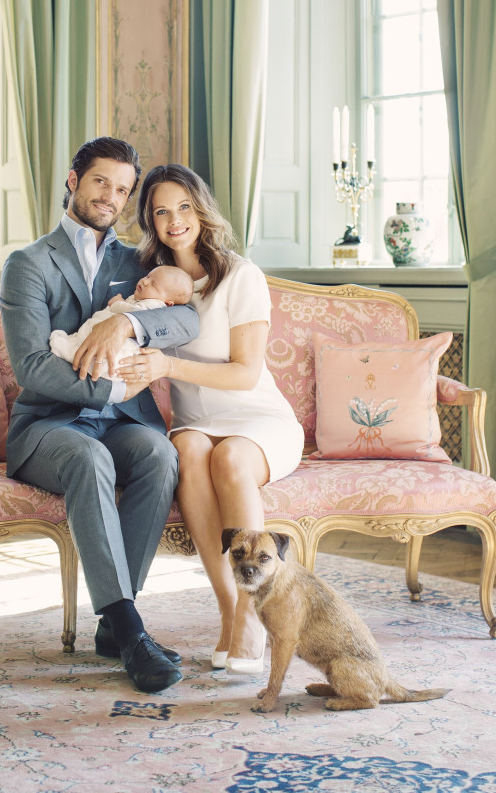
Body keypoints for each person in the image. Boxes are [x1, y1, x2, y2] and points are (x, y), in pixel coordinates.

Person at [0, 138, 199, 694]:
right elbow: (33, 366)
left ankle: (113, 627)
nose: (111, 197)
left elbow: (186, 323)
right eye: (100, 183)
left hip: (122, 427)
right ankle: (132, 630)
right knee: (87, 457)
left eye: (122, 189)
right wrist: (110, 391)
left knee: (160, 454)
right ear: (73, 180)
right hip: (50, 427)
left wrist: (128, 326)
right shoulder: (29, 264)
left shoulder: (138, 262)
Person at [118, 163, 305, 674]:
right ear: (151, 222)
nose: (174, 219)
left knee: (231, 458)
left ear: (201, 210)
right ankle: (228, 609)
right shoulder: (156, 286)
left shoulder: (240, 275)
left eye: (183, 207)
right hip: (195, 424)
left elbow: (246, 373)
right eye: (160, 211)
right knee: (190, 449)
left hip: (259, 420)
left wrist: (169, 364)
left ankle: (252, 610)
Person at [49, 265, 194, 378]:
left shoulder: (154, 305)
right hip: (107, 346)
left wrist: (118, 302)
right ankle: (72, 347)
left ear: (167, 303)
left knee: (88, 352)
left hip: (119, 353)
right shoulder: (146, 297)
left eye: (153, 285)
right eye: (148, 276)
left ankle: (68, 351)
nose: (145, 281)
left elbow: (134, 313)